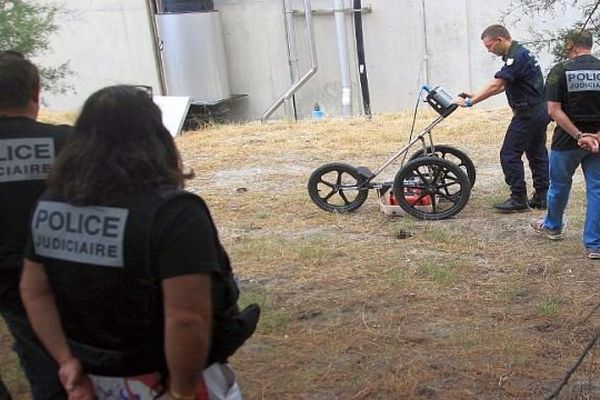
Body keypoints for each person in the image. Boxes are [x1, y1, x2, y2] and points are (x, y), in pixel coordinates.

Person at [19, 85, 260, 399]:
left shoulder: (52, 204)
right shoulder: (174, 213)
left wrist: (65, 360)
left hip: (95, 378)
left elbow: (34, 290)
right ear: (156, 137)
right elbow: (186, 317)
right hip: (163, 376)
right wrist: (184, 390)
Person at [0, 51, 69, 400]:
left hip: (11, 274)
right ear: (36, 91)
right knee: (52, 366)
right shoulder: (67, 143)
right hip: (57, 270)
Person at [454, 24, 550, 212]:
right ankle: (543, 196)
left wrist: (470, 102)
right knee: (536, 153)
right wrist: (475, 94)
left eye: (489, 46)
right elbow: (506, 85)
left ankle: (518, 198)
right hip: (539, 110)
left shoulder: (516, 57)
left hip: (528, 113)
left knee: (509, 154)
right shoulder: (521, 53)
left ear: (499, 40)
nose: (489, 51)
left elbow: (496, 85)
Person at [530, 29, 600, 260]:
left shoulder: (560, 70)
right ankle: (594, 245)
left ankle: (553, 227)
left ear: (571, 45)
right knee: (597, 190)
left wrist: (580, 135)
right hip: (598, 143)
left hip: (567, 141)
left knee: (559, 185)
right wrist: (596, 136)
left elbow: (553, 110)